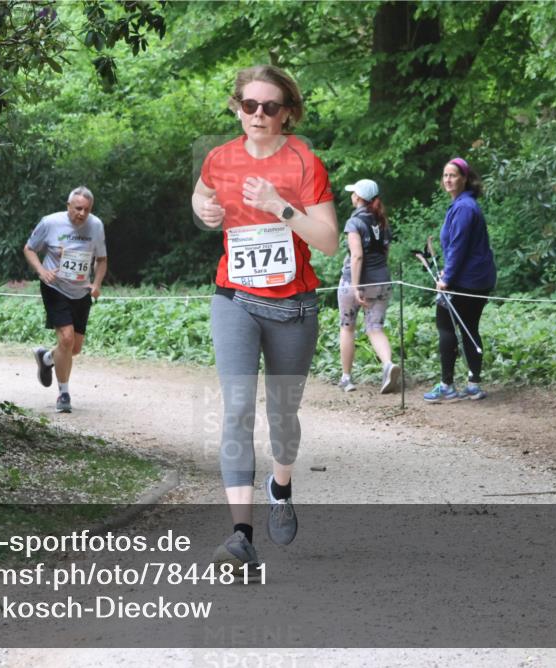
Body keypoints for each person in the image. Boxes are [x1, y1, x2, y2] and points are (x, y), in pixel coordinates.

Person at [191, 65, 337, 578]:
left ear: (287, 112)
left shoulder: (305, 162)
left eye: (269, 107)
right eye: (248, 105)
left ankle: (281, 484)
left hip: (292, 306)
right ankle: (240, 536)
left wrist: (281, 209)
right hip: (234, 297)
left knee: (282, 416)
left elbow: (328, 241)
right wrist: (204, 211)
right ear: (236, 106)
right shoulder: (220, 157)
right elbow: (202, 194)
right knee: (235, 408)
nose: (257, 115)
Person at [24, 186, 107, 414]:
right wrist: (42, 271)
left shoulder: (96, 226)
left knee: (74, 348)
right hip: (55, 287)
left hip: (81, 291)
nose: (82, 213)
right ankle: (64, 394)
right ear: (68, 206)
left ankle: (47, 357)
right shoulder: (50, 223)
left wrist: (97, 284)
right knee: (67, 339)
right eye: (78, 208)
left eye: (86, 210)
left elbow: (102, 259)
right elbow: (29, 249)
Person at [423, 157, 496, 403]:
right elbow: (458, 248)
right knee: (469, 328)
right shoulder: (464, 204)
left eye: (453, 175)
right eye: (445, 175)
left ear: (465, 178)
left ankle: (447, 386)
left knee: (445, 326)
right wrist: (447, 271)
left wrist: (447, 278)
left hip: (467, 280)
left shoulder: (464, 207)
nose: (448, 179)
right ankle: (473, 385)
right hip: (475, 278)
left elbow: (459, 246)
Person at [336, 178, 400, 394]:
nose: (351, 195)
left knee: (347, 327)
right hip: (382, 281)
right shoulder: (382, 220)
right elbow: (385, 252)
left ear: (358, 197)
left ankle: (346, 378)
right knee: (375, 328)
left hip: (356, 282)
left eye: (353, 193)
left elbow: (357, 256)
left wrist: (355, 286)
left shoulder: (354, 222)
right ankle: (388, 364)